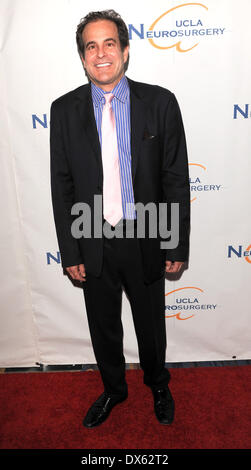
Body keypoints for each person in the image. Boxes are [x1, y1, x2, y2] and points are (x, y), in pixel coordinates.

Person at [50, 9, 190, 428]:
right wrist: (70, 249)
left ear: (125, 51)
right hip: (91, 235)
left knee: (151, 325)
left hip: (146, 232)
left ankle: (158, 384)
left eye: (109, 43)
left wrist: (176, 242)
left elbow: (175, 179)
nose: (101, 53)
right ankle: (113, 389)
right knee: (103, 325)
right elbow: (63, 186)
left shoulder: (160, 102)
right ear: (82, 57)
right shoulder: (63, 110)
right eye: (91, 46)